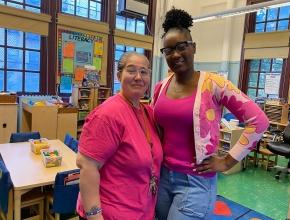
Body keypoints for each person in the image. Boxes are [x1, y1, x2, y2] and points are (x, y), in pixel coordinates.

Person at [152, 8, 269, 220]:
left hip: (195, 182)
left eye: (181, 47)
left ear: (193, 47)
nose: (176, 54)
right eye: (168, 50)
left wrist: (226, 162)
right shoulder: (160, 87)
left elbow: (259, 121)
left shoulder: (214, 85)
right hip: (163, 176)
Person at [76, 52, 163, 220]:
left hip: (141, 212)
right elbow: (87, 167)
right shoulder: (108, 115)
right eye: (131, 71)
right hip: (109, 214)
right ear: (118, 75)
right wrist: (95, 216)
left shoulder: (149, 113)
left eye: (144, 72)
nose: (138, 77)